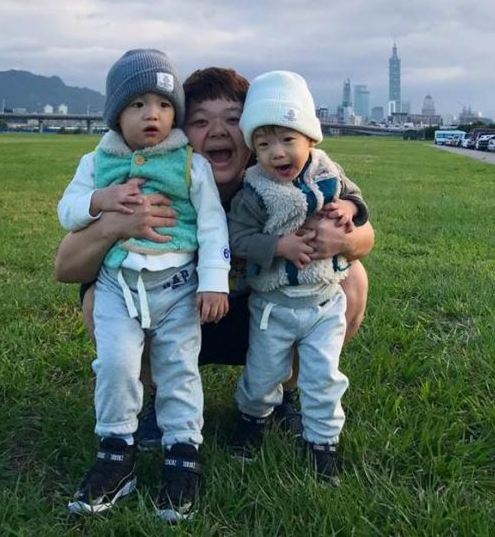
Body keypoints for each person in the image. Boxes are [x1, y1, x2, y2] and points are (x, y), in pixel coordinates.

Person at [52, 66, 374, 453]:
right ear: (180, 130)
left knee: (353, 280)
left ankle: (283, 393)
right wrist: (114, 225)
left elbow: (364, 236)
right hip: (179, 314)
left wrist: (343, 236)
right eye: (201, 122)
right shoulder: (159, 181)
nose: (218, 132)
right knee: (97, 296)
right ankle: (159, 395)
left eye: (233, 120)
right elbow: (66, 268)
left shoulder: (281, 174)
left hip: (265, 317)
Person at [58, 49, 229, 522]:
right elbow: (67, 210)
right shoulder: (97, 161)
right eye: (137, 104)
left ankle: (183, 453)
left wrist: (214, 282)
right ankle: (116, 450)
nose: (152, 114)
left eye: (163, 104)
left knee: (179, 370)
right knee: (115, 365)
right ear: (116, 113)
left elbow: (212, 225)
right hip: (118, 286)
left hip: (178, 287)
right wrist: (100, 200)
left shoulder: (190, 164)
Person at [227, 71, 366, 485]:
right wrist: (278, 246)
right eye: (263, 144)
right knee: (262, 375)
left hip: (324, 302)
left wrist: (349, 210)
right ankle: (253, 419)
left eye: (288, 139)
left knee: (324, 377)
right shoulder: (254, 192)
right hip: (274, 306)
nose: (277, 153)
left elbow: (356, 198)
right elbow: (237, 239)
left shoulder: (329, 172)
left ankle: (322, 440)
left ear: (310, 139)